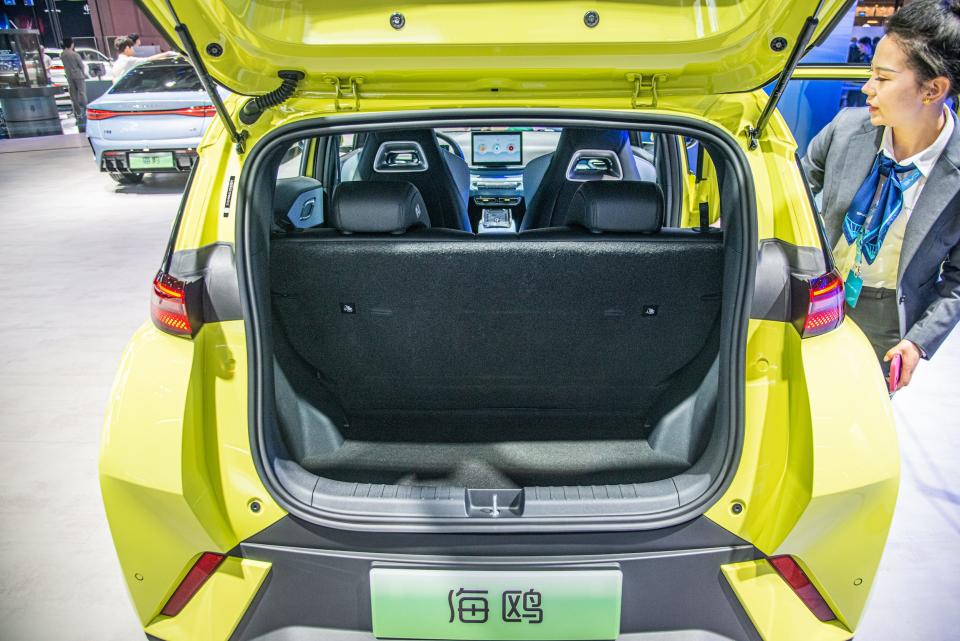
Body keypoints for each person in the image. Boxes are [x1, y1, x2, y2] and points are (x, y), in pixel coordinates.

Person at [802, 0, 960, 391]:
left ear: (933, 89)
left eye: (883, 79)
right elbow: (792, 192)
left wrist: (918, 341)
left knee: (858, 422)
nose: (866, 88)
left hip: (888, 319)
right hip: (818, 292)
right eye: (870, 73)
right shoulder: (844, 130)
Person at [59, 38, 88, 133]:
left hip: (69, 76)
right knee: (82, 93)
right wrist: (84, 74)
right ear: (71, 44)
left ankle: (78, 113)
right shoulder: (75, 54)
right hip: (78, 75)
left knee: (74, 96)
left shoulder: (62, 55)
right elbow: (81, 66)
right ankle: (87, 111)